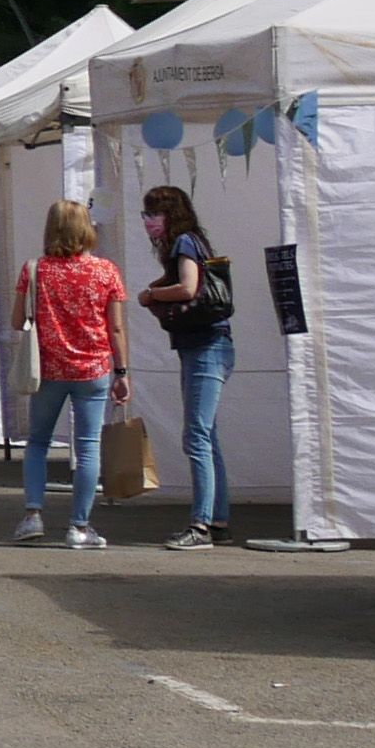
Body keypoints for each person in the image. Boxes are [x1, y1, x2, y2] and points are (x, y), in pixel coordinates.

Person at [11, 199, 129, 550]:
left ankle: (33, 515)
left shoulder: (34, 270)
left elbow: (17, 321)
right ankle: (79, 526)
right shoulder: (106, 271)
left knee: (38, 442)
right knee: (88, 446)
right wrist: (121, 371)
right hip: (93, 369)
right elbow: (117, 328)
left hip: (47, 368)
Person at [137, 186, 239, 550]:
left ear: (168, 214)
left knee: (196, 435)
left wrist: (151, 295)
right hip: (206, 346)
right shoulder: (194, 241)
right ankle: (218, 519)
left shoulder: (184, 243)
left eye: (153, 214)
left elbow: (188, 287)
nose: (148, 221)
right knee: (206, 436)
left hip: (205, 347)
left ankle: (201, 525)